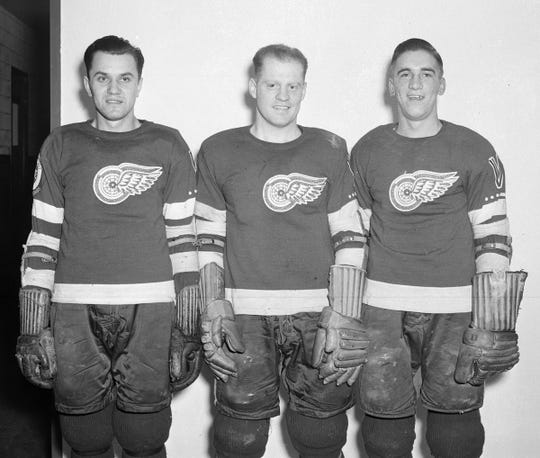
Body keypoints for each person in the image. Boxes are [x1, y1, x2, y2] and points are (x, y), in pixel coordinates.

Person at [15, 35, 200, 458]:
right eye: (103, 78)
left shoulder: (168, 145)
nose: (114, 89)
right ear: (86, 83)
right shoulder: (60, 145)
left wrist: (188, 325)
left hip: (151, 306)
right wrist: (31, 326)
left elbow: (183, 239)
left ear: (138, 84)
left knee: (145, 437)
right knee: (85, 439)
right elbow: (42, 239)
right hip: (73, 306)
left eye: (124, 78)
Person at [349, 38, 526, 458]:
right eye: (405, 74)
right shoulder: (367, 149)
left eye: (426, 74)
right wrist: (345, 309)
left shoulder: (475, 149)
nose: (415, 85)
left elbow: (494, 237)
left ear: (441, 84)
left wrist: (490, 319)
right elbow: (353, 236)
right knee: (382, 432)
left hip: (456, 307)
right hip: (382, 306)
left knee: (455, 431)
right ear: (391, 85)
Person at [195, 44, 369, 458]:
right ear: (253, 86)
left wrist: (344, 310)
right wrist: (214, 303)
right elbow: (208, 238)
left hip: (318, 314)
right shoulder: (218, 150)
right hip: (245, 315)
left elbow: (349, 232)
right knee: (239, 439)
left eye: (293, 85)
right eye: (272, 84)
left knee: (321, 437)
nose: (283, 95)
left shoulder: (329, 147)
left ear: (304, 89)